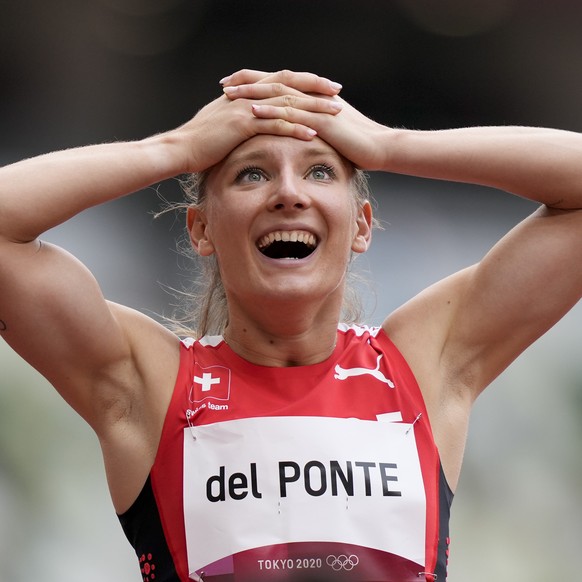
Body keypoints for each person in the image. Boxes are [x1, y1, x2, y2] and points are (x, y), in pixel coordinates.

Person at [0, 68, 580, 582]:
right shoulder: (145, 385)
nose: (287, 194)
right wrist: (175, 147)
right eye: (251, 175)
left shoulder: (425, 364)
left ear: (361, 224)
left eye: (320, 172)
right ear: (200, 230)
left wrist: (387, 144)